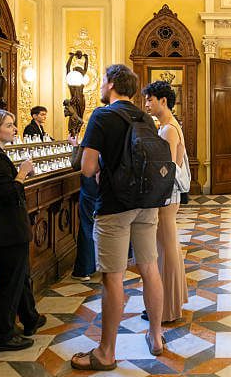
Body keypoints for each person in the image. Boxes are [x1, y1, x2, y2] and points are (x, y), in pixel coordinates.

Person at [70, 65, 165, 371]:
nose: (100, 87)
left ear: (111, 84)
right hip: (147, 202)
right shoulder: (144, 117)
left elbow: (86, 167)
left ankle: (106, 352)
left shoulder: (102, 115)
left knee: (113, 276)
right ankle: (156, 336)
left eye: (101, 82)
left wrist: (96, 167)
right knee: (150, 268)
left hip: (114, 205)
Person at [0, 109, 46, 352]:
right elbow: (9, 194)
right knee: (10, 283)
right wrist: (23, 173)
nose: (14, 129)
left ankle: (30, 318)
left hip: (7, 230)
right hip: (7, 231)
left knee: (20, 278)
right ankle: (2, 335)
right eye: (9, 125)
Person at [142, 80, 188, 323]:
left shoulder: (169, 128)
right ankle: (167, 302)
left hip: (166, 195)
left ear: (163, 101)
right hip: (167, 195)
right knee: (165, 247)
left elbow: (167, 167)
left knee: (166, 247)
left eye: (150, 99)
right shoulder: (167, 126)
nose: (147, 104)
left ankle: (167, 307)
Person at [68, 135, 99, 282]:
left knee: (88, 226)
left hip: (91, 187)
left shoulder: (92, 140)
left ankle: (84, 269)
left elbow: (76, 164)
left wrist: (75, 147)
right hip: (107, 188)